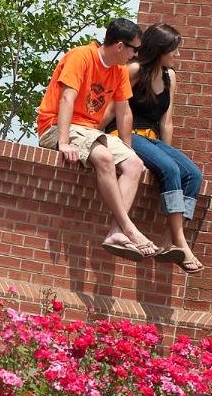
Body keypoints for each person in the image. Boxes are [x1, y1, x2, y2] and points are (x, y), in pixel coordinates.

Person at [35, 18, 156, 258]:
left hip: (90, 131)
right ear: (120, 46)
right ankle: (129, 227)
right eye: (135, 49)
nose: (136, 55)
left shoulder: (119, 70)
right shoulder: (81, 56)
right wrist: (64, 142)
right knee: (103, 157)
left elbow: (123, 111)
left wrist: (128, 148)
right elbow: (67, 99)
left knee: (134, 164)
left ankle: (116, 232)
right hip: (57, 125)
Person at [101, 24, 204, 273]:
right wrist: (91, 133)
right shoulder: (135, 69)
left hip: (152, 139)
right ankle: (182, 242)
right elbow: (113, 108)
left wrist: (164, 154)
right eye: (173, 50)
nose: (176, 55)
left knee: (191, 174)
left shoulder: (170, 77)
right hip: (126, 134)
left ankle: (171, 243)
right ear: (160, 49)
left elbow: (166, 121)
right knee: (170, 169)